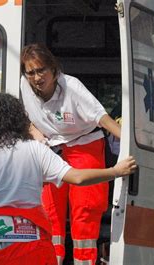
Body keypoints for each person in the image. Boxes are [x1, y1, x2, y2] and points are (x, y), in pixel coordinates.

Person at [0, 93, 136, 265]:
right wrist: (115, 171)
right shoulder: (35, 150)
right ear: (18, 119)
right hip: (34, 249)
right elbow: (77, 177)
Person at [20, 43, 122, 264]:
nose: (36, 77)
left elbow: (101, 118)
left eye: (41, 71)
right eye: (31, 72)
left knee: (84, 211)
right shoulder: (23, 86)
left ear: (54, 71)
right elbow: (24, 118)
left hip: (85, 145)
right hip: (51, 147)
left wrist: (129, 141)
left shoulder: (71, 86)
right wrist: (38, 137)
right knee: (49, 212)